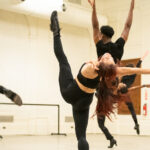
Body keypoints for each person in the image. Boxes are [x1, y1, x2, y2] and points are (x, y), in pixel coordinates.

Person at [50, 11, 150, 150]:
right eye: (108, 57)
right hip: (84, 101)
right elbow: (137, 71)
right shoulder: (111, 70)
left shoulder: (92, 67)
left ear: (103, 61)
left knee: (63, 61)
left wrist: (92, 62)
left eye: (108, 58)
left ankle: (55, 32)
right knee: (81, 137)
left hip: (70, 91)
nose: (108, 55)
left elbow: (91, 66)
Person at [96, 55, 147, 148]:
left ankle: (112, 139)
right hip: (107, 99)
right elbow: (133, 85)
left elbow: (132, 76)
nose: (122, 83)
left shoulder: (118, 86)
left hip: (105, 102)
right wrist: (142, 85)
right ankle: (112, 139)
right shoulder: (122, 81)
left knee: (100, 124)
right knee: (101, 124)